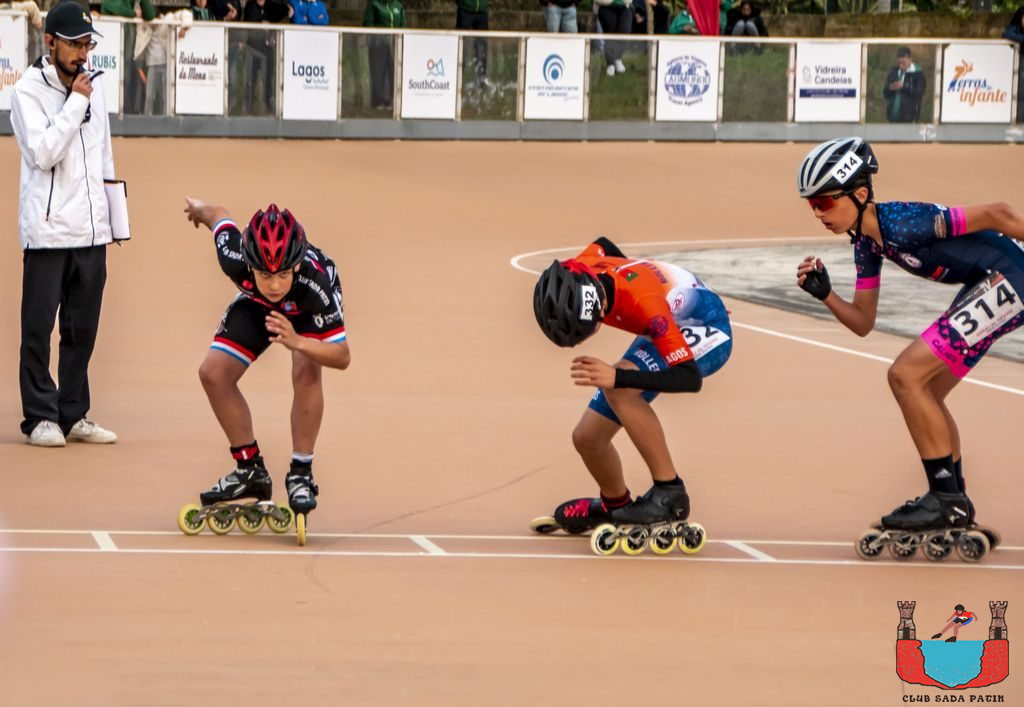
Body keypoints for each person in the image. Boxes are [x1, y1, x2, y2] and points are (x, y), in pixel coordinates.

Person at [794, 137, 1023, 557]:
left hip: (1012, 276)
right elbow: (863, 322)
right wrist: (826, 294)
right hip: (991, 280)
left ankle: (945, 500)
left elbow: (998, 214)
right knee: (926, 390)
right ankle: (955, 499)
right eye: (812, 205)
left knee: (905, 375)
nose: (818, 213)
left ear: (859, 195)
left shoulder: (904, 223)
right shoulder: (868, 243)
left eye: (824, 202)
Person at [530, 237, 733, 554]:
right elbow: (603, 244)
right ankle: (615, 504)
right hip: (664, 318)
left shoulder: (647, 306)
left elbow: (690, 378)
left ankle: (669, 492)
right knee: (587, 438)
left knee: (619, 387)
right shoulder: (582, 267)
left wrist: (618, 377)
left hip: (703, 325)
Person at [182, 197, 351, 527]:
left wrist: (297, 341)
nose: (274, 284)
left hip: (304, 311)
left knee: (306, 368)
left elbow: (342, 356)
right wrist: (198, 210)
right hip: (256, 304)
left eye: (283, 273)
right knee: (213, 374)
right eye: (264, 273)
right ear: (248, 264)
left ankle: (301, 473)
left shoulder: (315, 285)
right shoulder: (233, 256)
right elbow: (217, 214)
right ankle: (250, 469)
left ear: (297, 266)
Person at [11, 2, 120, 448]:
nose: (82, 53)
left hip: (92, 232)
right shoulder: (27, 92)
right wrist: (76, 101)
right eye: (74, 44)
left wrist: (113, 218)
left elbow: (104, 154)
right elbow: (43, 153)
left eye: (87, 44)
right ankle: (40, 416)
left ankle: (73, 414)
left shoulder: (94, 86)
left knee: (82, 330)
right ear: (50, 42)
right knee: (38, 328)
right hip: (48, 230)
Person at [100, 0, 156, 115]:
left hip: (129, 55)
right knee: (112, 84)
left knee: (127, 83)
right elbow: (112, 7)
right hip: (111, 55)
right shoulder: (116, 4)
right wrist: (134, 14)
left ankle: (125, 113)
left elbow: (150, 15)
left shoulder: (131, 4)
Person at [363, 0, 406, 111]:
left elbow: (403, 26)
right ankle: (378, 101)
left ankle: (392, 100)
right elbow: (368, 24)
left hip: (394, 44)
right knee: (378, 72)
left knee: (393, 71)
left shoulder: (398, 6)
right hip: (378, 43)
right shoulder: (374, 4)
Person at [883, 47, 926, 124]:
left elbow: (919, 93)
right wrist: (890, 88)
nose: (901, 65)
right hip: (892, 117)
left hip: (909, 118)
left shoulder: (918, 74)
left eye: (903, 62)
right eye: (899, 63)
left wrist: (904, 87)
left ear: (910, 59)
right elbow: (885, 94)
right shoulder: (893, 72)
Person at [595, 0, 632, 75]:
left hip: (625, 6)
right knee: (610, 34)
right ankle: (610, 63)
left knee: (624, 31)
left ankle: (618, 58)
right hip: (606, 6)